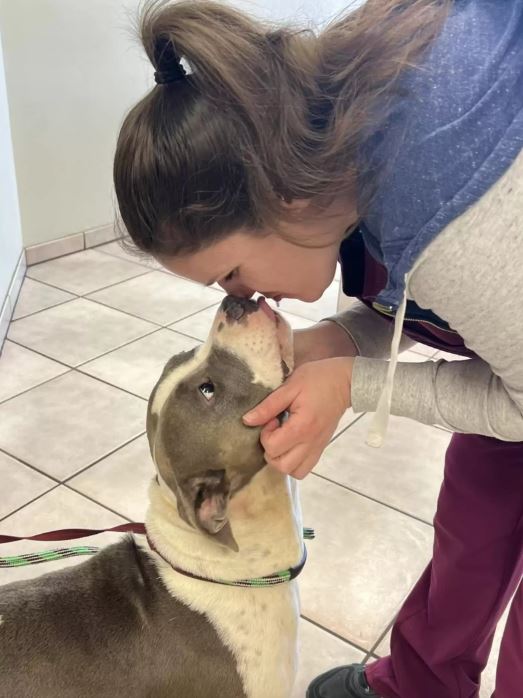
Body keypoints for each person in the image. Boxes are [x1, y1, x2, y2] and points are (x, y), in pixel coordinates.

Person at [113, 1, 523, 696]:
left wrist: (353, 385)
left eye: (229, 276)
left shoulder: (446, 203)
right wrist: (333, 343)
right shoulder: (333, 140)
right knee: (476, 508)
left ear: (281, 199)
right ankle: (419, 685)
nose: (238, 298)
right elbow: (413, 305)